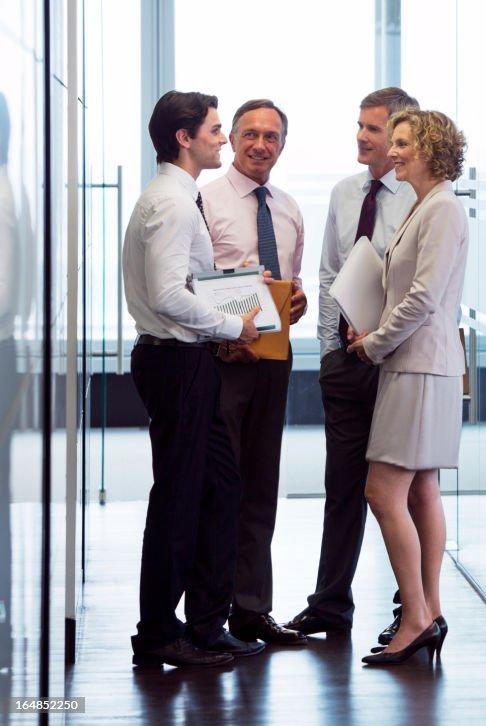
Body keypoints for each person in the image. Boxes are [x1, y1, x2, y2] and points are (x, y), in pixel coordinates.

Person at [123, 90, 265, 667]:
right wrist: (233, 327)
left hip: (186, 360)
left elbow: (184, 283)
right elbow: (166, 295)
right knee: (179, 501)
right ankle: (158, 634)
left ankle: (205, 624)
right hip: (175, 361)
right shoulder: (175, 203)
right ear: (183, 138)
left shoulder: (173, 198)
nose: (224, 138)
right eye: (213, 129)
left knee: (221, 487)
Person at [285, 88, 419, 639]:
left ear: (402, 135)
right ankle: (330, 603)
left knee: (401, 492)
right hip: (346, 360)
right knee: (341, 486)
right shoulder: (344, 194)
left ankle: (409, 609)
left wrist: (379, 345)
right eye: (359, 126)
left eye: (373, 129)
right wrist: (328, 351)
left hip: (396, 362)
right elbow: (327, 275)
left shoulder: (421, 198)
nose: (361, 137)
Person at [347, 109, 468, 665]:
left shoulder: (441, 208)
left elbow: (422, 298)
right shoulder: (428, 204)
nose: (391, 152)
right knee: (420, 491)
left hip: (418, 366)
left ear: (429, 148)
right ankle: (430, 611)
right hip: (418, 364)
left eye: (401, 142)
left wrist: (374, 343)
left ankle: (417, 616)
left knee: (382, 492)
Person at [200, 99, 308, 646]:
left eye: (271, 136)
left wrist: (298, 302)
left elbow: (287, 283)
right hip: (222, 363)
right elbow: (192, 283)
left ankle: (251, 609)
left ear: (282, 145)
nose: (260, 144)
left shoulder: (288, 209)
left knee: (262, 485)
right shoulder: (206, 200)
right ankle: (209, 615)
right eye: (249, 134)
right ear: (232, 140)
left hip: (274, 362)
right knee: (221, 487)